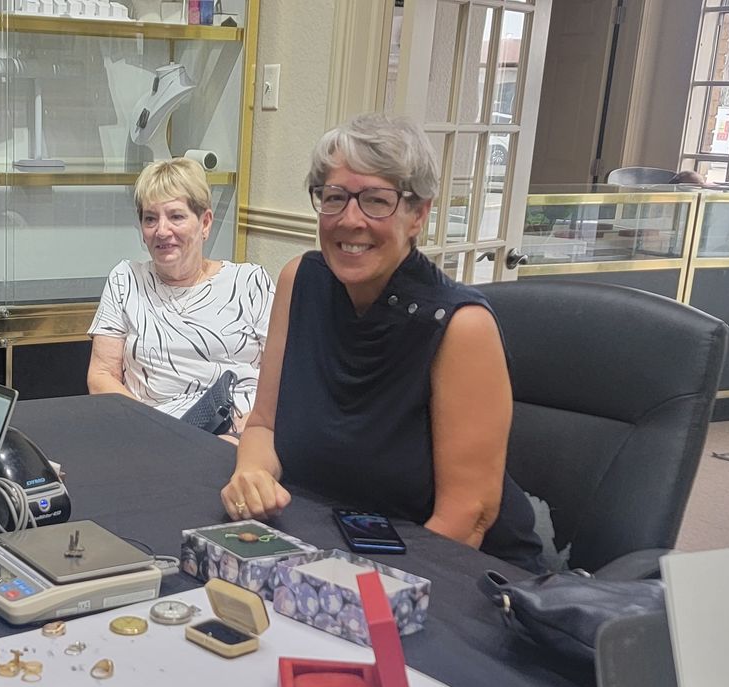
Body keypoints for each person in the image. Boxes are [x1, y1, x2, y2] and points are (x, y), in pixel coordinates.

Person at [220, 114, 546, 573]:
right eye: (334, 198)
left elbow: (466, 519)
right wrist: (250, 475)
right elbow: (264, 427)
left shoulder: (460, 326)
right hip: (331, 549)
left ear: (419, 215)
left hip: (458, 574)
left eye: (377, 200)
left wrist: (367, 597)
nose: (350, 220)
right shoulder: (301, 280)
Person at [87, 156, 274, 437]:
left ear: (205, 223)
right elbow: (101, 377)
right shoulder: (126, 280)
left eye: (176, 216)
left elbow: (286, 377)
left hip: (243, 434)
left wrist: (250, 432)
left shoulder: (250, 282)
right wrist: (157, 431)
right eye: (150, 219)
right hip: (155, 436)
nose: (162, 230)